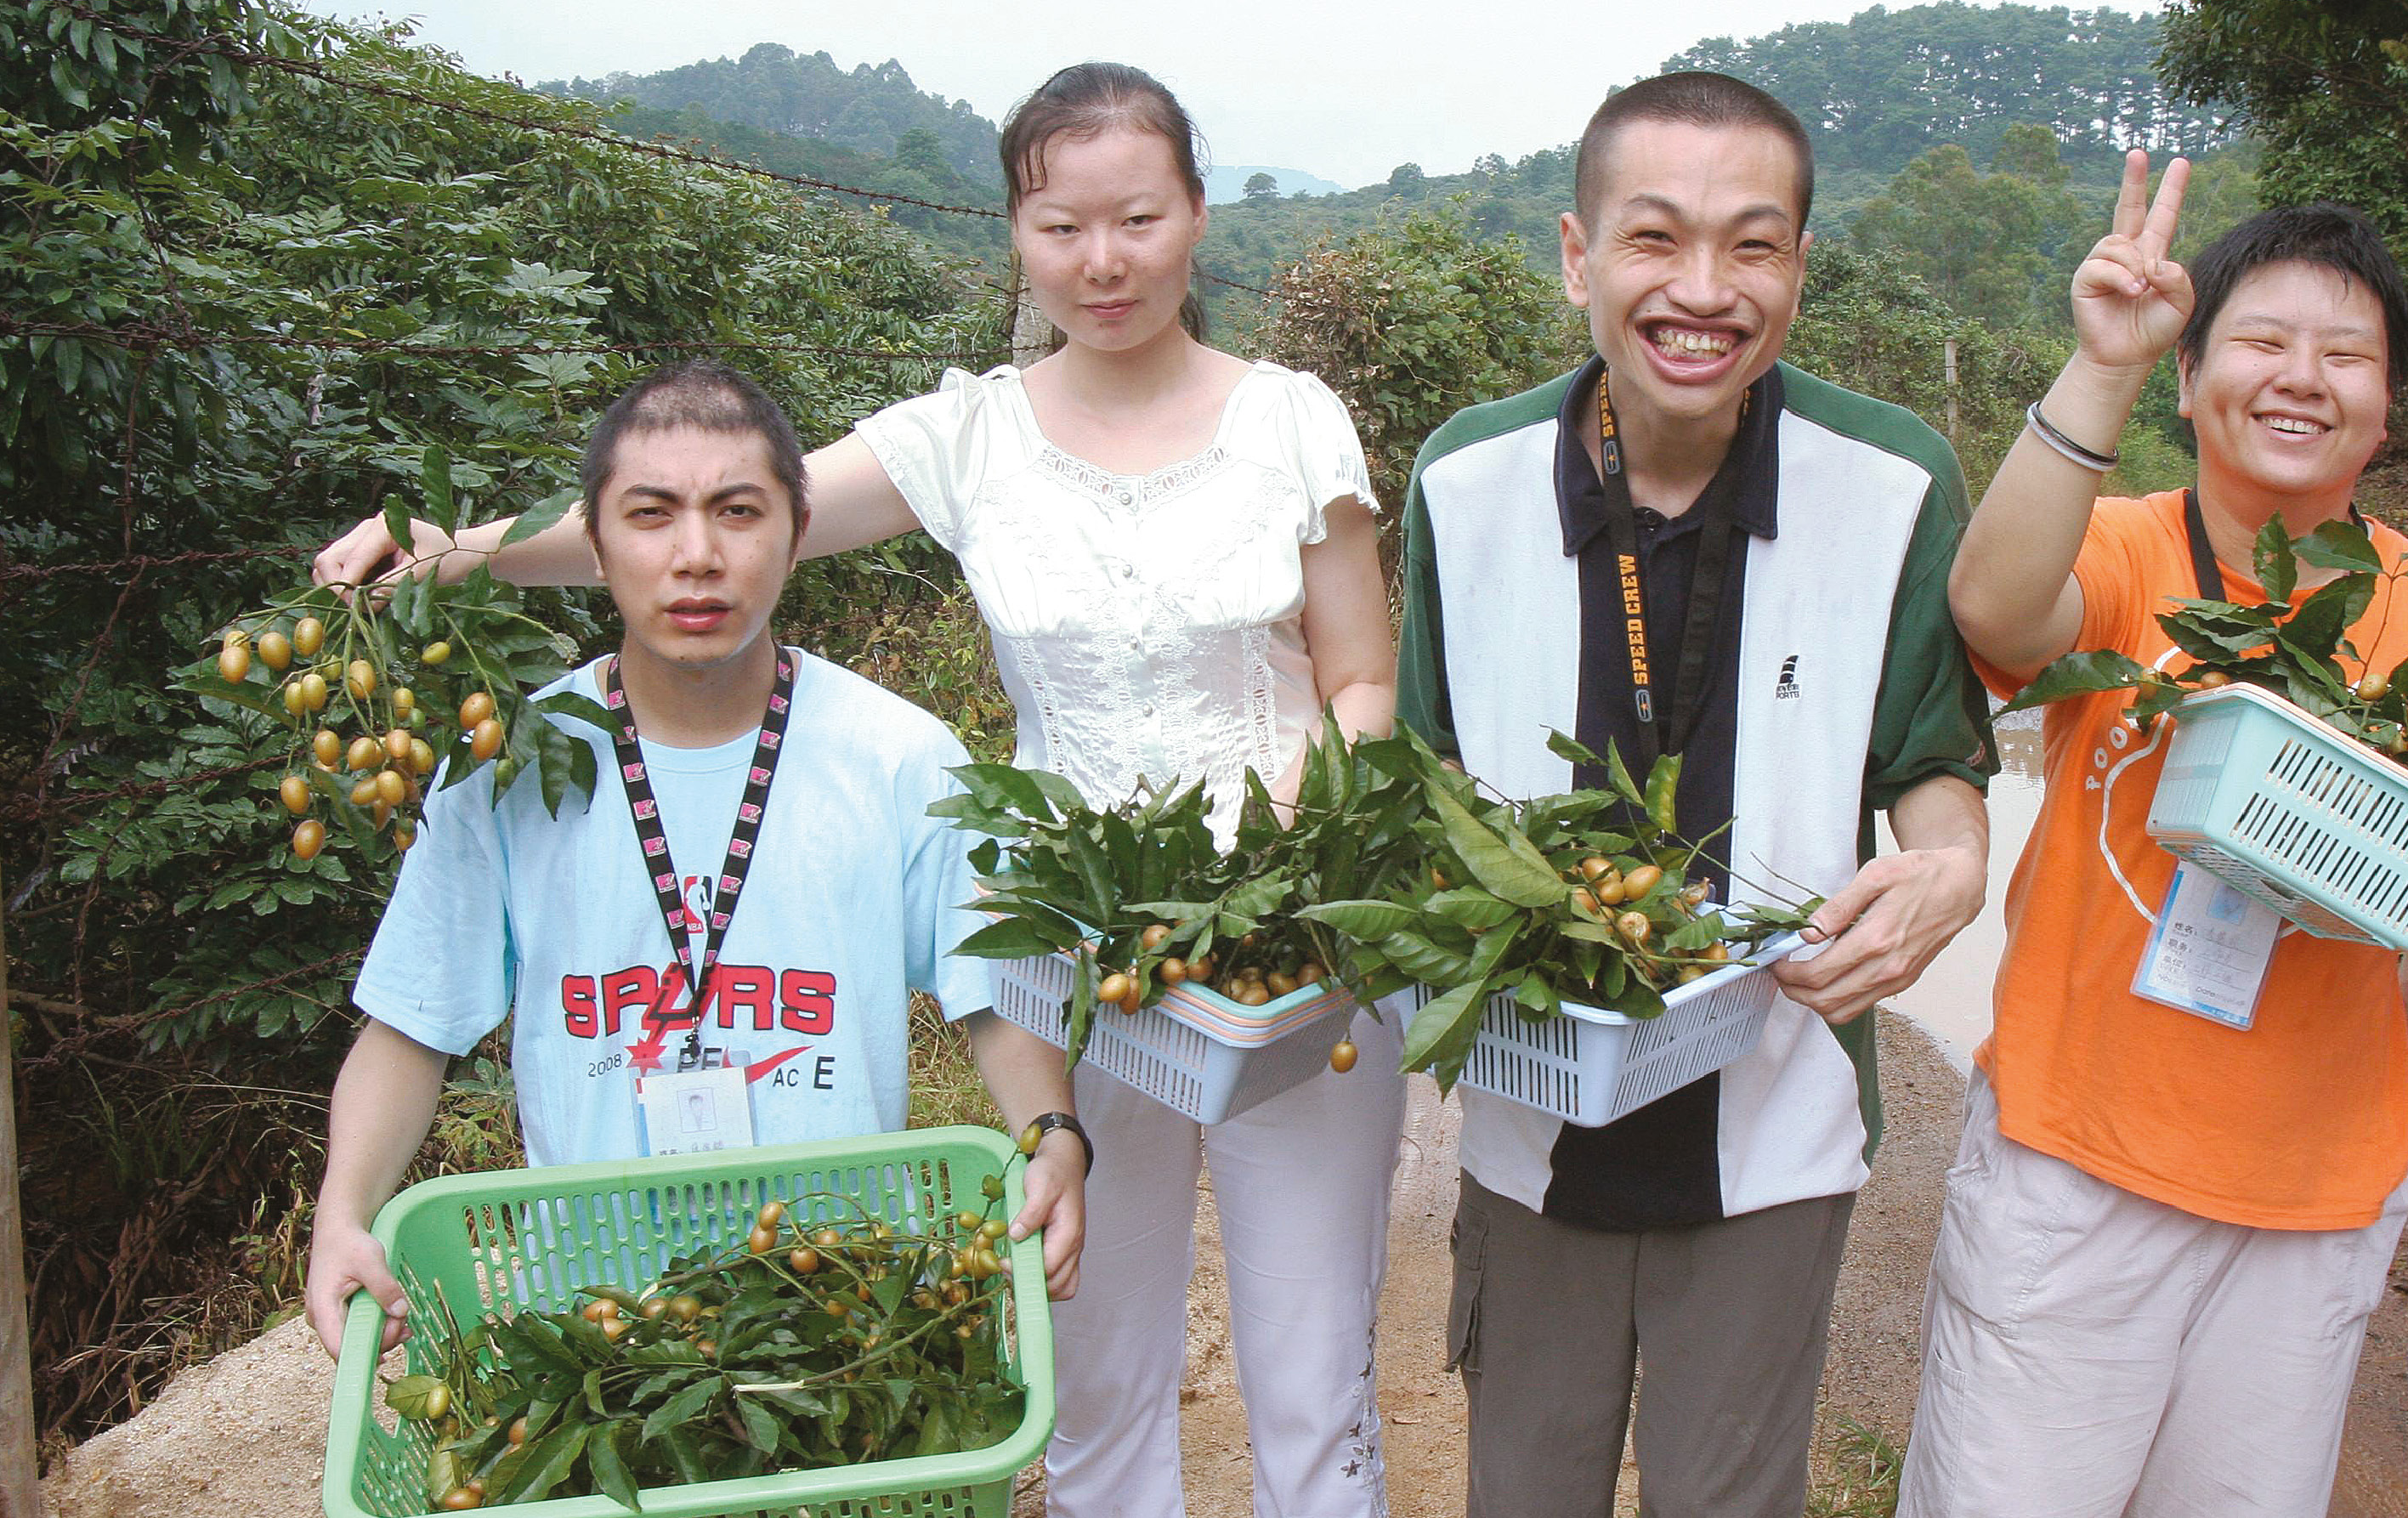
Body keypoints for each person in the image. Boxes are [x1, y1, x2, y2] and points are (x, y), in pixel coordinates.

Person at [310, 63, 1403, 1518]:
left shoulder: (1289, 421)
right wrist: (457, 547)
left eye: (1137, 217)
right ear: (1012, 233)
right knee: (1090, 1371)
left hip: (1290, 952)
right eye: (1059, 225)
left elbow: (1363, 682)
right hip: (1084, 955)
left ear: (1197, 215)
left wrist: (1288, 843)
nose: (1103, 260)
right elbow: (716, 506)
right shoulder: (968, 434)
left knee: (1311, 1373)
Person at [1396, 71, 1994, 1518]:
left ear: (1798, 266)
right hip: (1532, 1124)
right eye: (1654, 239)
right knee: (1523, 1488)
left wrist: (1952, 870)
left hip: (1774, 1121)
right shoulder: (1465, 481)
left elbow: (1932, 766)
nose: (1702, 290)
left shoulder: (1891, 481)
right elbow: (1420, 792)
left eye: (1753, 243)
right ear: (1576, 255)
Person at [1909, 168, 2408, 1517]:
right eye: (2260, 340)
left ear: (2388, 408)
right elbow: (1999, 610)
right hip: (2074, 1161)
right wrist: (2096, 363)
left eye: (2345, 353)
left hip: (2312, 1192)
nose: (2301, 376)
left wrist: (2394, 856)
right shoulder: (2128, 549)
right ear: (2189, 382)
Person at [303, 361, 1087, 1359]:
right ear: (593, 541)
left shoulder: (902, 758)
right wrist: (342, 1212)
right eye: (651, 514)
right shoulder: (507, 767)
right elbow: (412, 1027)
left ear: (799, 532)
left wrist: (1055, 1134)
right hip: (592, 1332)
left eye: (738, 511)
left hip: (847, 1309)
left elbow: (995, 990)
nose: (697, 555)